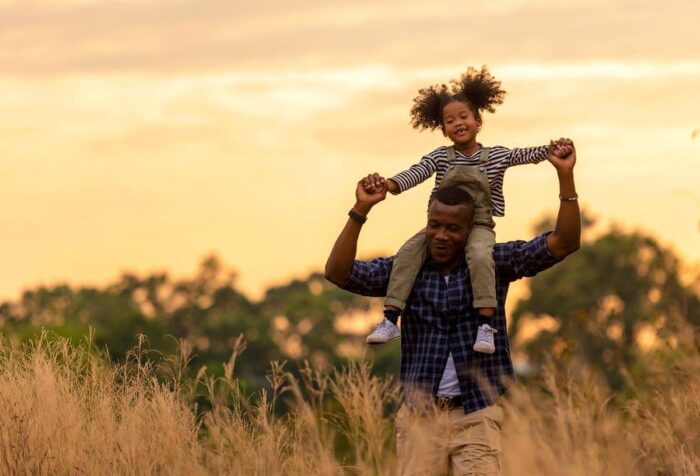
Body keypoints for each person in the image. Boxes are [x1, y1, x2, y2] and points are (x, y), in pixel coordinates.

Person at [324, 143, 580, 475]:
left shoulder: (492, 262)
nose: (441, 235)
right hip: (419, 418)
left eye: (452, 228)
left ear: (471, 229)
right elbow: (338, 273)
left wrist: (565, 176)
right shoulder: (406, 269)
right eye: (434, 225)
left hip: (475, 416)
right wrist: (360, 210)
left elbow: (564, 242)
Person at [364, 66, 568, 355]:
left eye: (464, 116)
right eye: (450, 120)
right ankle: (390, 318)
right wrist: (389, 184)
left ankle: (485, 325)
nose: (458, 123)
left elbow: (524, 154)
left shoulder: (494, 155)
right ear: (443, 129)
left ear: (478, 120)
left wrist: (551, 150)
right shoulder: (439, 157)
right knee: (408, 252)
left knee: (480, 254)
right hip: (441, 226)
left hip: (479, 224)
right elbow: (416, 173)